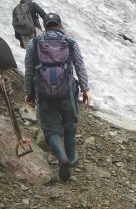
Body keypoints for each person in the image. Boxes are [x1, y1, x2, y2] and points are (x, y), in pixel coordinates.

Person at [24, 13, 90, 181]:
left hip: (44, 92)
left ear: (45, 26)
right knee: (69, 125)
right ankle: (70, 158)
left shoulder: (34, 43)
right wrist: (85, 88)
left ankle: (62, 158)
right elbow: (79, 65)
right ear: (60, 25)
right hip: (67, 91)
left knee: (51, 128)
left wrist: (28, 93)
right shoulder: (70, 42)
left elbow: (29, 70)